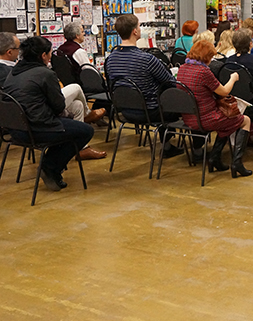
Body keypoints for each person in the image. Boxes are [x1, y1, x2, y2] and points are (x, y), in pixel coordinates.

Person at [3, 37, 95, 191]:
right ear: (43, 55)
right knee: (85, 131)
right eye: (50, 53)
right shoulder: (46, 73)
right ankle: (49, 166)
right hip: (38, 129)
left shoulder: (14, 72)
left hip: (16, 129)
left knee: (76, 109)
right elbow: (58, 106)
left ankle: (51, 165)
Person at [105, 14, 183, 159]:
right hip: (151, 111)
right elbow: (170, 82)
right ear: (135, 31)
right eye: (139, 26)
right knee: (175, 104)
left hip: (125, 111)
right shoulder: (147, 59)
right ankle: (173, 146)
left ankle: (167, 144)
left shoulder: (110, 59)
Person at [177, 40, 253, 177]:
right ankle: (237, 163)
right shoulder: (203, 71)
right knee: (245, 120)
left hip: (189, 118)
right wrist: (233, 78)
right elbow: (224, 92)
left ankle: (214, 158)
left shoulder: (182, 68)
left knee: (227, 123)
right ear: (206, 57)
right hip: (206, 118)